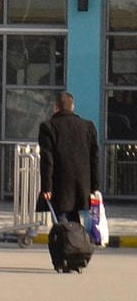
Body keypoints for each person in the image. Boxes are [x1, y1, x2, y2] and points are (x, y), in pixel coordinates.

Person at [39, 92, 101, 229]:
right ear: (72, 107)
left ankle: (66, 246)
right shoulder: (88, 126)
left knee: (61, 220)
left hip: (59, 184)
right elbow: (94, 158)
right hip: (82, 183)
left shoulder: (48, 127)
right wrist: (94, 186)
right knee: (74, 219)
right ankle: (76, 245)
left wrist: (46, 187)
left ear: (56, 107)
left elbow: (47, 159)